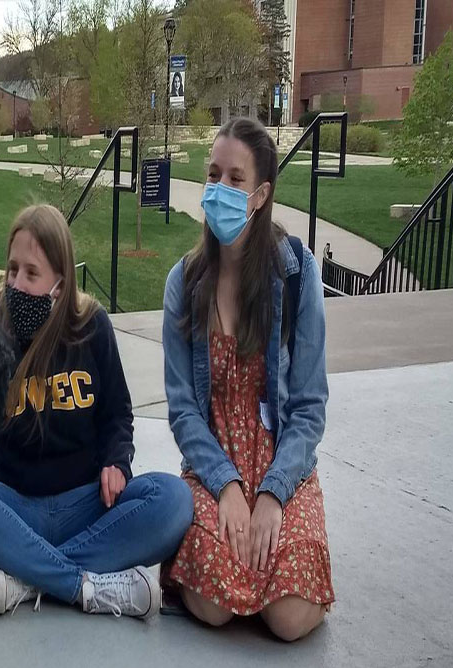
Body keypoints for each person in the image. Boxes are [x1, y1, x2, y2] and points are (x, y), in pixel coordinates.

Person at [0, 205, 193, 620]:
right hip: (12, 510)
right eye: (12, 270)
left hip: (87, 506)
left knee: (173, 499)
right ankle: (81, 586)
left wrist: (117, 461)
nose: (16, 284)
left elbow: (117, 413)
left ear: (61, 282)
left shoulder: (92, 326)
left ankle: (27, 576)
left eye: (31, 273)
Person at [161, 117, 333, 641]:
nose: (219, 189)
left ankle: (269, 578)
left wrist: (274, 495)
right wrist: (229, 488)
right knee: (213, 607)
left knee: (289, 619)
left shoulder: (297, 275)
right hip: (215, 469)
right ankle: (245, 576)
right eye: (213, 175)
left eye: (235, 179)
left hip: (284, 466)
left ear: (260, 194)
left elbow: (308, 408)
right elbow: (184, 411)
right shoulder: (185, 283)